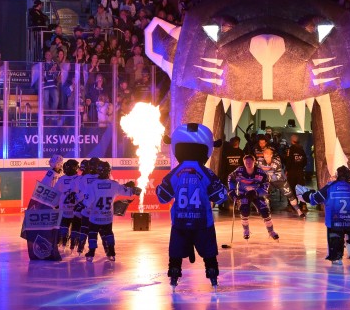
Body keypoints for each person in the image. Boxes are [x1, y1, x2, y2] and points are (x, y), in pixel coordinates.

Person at [156, 123, 228, 291]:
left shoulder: (175, 173)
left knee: (176, 250)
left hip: (180, 222)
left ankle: (174, 273)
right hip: (203, 222)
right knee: (209, 251)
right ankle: (212, 274)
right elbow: (220, 196)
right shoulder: (206, 173)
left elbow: (162, 196)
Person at [299, 166, 350, 264]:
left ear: (337, 175)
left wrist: (306, 195)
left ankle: (336, 258)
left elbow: (315, 199)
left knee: (335, 239)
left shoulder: (330, 186)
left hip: (334, 222)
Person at [80, 161, 141, 261]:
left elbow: (88, 202)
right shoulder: (114, 184)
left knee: (92, 233)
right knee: (108, 233)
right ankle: (111, 252)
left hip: (95, 216)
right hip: (107, 217)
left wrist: (80, 206)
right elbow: (129, 191)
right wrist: (134, 189)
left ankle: (91, 253)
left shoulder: (92, 185)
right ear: (109, 171)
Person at [228, 154, 279, 241]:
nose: (248, 163)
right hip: (243, 193)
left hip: (256, 194)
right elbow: (230, 178)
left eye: (250, 162)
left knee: (265, 211)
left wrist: (257, 192)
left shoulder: (260, 172)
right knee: (244, 211)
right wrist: (232, 191)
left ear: (254, 162)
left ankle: (271, 231)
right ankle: (246, 230)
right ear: (243, 162)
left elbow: (266, 184)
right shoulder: (239, 171)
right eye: (246, 162)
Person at [258, 148, 305, 218]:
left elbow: (278, 175)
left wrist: (269, 176)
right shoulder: (260, 162)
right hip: (269, 182)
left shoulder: (276, 163)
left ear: (271, 155)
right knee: (263, 194)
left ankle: (299, 211)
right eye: (265, 156)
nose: (266, 158)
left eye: (267, 156)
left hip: (280, 181)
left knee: (290, 196)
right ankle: (267, 211)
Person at [53, 159, 80, 249]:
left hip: (64, 208)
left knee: (64, 225)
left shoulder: (61, 179)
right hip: (76, 209)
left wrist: (55, 204)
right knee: (75, 227)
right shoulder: (79, 179)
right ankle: (74, 244)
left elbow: (56, 192)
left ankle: (63, 241)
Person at [285, 134, 308, 210]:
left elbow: (288, 161)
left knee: (292, 188)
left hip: (292, 172)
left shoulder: (290, 149)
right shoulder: (301, 149)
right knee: (301, 188)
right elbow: (305, 161)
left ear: (292, 141)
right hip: (300, 172)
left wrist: (287, 170)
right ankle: (303, 204)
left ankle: (292, 205)